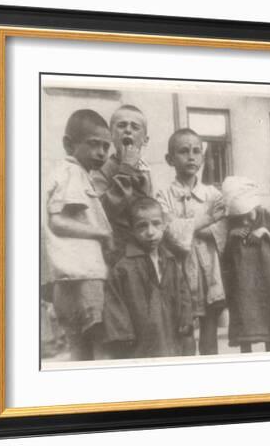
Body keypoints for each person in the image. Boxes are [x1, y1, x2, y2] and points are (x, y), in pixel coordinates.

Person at [44, 109, 113, 360]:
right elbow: (58, 222)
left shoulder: (65, 172)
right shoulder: (73, 172)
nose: (102, 153)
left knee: (79, 351)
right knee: (101, 346)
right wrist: (102, 233)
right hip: (86, 276)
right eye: (94, 144)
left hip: (67, 279)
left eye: (106, 146)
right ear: (68, 144)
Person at [156, 128, 227, 356]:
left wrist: (194, 228)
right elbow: (171, 233)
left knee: (209, 332)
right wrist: (206, 219)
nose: (191, 156)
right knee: (183, 331)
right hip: (179, 271)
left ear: (203, 158)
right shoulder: (163, 195)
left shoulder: (213, 194)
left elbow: (222, 228)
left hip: (209, 271)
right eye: (184, 151)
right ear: (170, 159)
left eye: (196, 151)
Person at [102, 197, 194, 359]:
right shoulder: (124, 267)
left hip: (171, 334)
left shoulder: (170, 261)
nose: (150, 232)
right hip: (141, 342)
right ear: (132, 230)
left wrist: (185, 318)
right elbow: (115, 303)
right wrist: (124, 335)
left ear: (164, 225)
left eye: (156, 223)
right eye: (142, 226)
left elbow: (183, 292)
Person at [222, 176, 270, 353]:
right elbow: (224, 258)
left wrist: (265, 232)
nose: (244, 221)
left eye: (247, 215)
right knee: (245, 334)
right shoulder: (229, 223)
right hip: (242, 286)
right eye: (239, 216)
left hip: (266, 282)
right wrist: (231, 237)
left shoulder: (267, 216)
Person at [91, 105, 154, 265]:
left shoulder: (145, 171)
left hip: (143, 246)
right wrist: (125, 169)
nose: (128, 130)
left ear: (145, 140)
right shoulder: (102, 169)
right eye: (121, 125)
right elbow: (102, 211)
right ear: (112, 135)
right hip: (116, 250)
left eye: (135, 127)